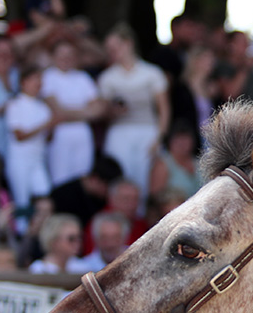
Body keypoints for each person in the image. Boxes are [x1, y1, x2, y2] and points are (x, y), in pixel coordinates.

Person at [97, 22, 169, 202]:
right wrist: (113, 111)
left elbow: (164, 108)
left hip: (147, 131)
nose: (112, 52)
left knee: (144, 179)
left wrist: (159, 137)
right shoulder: (107, 77)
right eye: (109, 49)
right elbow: (104, 112)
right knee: (120, 178)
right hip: (119, 132)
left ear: (128, 43)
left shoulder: (151, 73)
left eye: (116, 47)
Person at [41, 38, 102, 187]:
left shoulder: (83, 77)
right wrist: (84, 112)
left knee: (83, 179)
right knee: (60, 180)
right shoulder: (48, 77)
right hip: (60, 135)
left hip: (82, 135)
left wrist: (68, 113)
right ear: (53, 56)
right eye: (61, 54)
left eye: (69, 54)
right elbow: (57, 110)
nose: (66, 59)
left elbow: (98, 109)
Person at [4, 65, 55, 212]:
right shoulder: (15, 105)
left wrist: (52, 127)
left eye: (39, 79)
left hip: (38, 160)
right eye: (33, 79)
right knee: (22, 201)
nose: (37, 83)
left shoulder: (43, 108)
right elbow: (19, 135)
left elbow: (48, 138)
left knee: (44, 194)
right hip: (19, 161)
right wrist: (45, 125)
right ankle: (21, 232)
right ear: (23, 82)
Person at [148, 121, 204, 201]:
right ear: (169, 141)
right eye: (178, 139)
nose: (182, 143)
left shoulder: (200, 162)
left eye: (186, 139)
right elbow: (155, 198)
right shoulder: (162, 165)